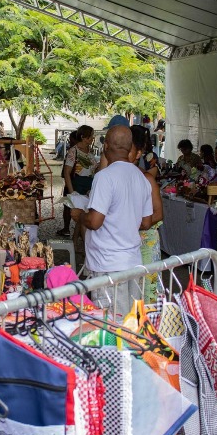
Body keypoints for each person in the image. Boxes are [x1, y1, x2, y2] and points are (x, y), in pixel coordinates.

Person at [82, 125, 152, 320]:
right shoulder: (142, 178)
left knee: (110, 326)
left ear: (105, 146)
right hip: (134, 262)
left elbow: (95, 222)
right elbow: (146, 222)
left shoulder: (105, 177)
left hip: (108, 264)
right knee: (132, 324)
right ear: (130, 148)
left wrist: (80, 215)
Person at [131, 127, 163, 302]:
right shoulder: (114, 177)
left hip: (146, 241)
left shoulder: (147, 178)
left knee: (148, 289)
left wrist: (138, 224)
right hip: (128, 242)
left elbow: (158, 214)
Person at [57, 130, 79, 237]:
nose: (70, 141)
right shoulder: (78, 150)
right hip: (73, 180)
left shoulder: (73, 151)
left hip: (72, 180)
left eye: (72, 139)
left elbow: (66, 171)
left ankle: (67, 228)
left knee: (67, 206)